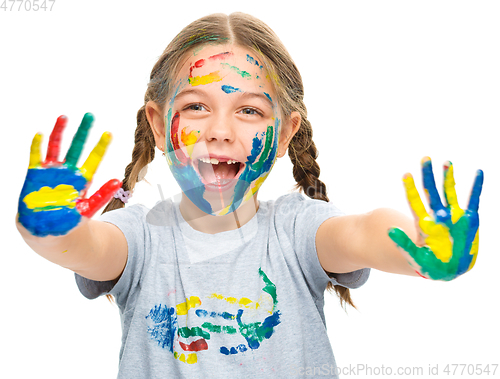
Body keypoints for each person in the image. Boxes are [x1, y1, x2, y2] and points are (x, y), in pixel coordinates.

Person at [15, 12, 483, 379]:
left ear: (284, 133)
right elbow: (85, 247)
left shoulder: (299, 230)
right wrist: (51, 227)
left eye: (249, 111)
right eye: (196, 106)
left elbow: (364, 232)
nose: (220, 130)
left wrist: (421, 244)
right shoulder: (140, 237)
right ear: (158, 125)